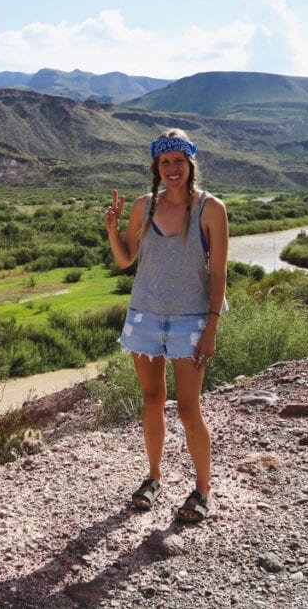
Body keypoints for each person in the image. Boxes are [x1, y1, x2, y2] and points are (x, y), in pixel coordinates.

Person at [103, 128, 228, 524]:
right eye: (164, 162)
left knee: (190, 409)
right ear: (156, 168)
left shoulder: (211, 209)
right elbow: (125, 260)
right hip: (144, 316)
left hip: (191, 321)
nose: (172, 168)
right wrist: (111, 229)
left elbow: (220, 272)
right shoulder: (144, 206)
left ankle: (202, 489)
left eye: (178, 161)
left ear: (190, 164)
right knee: (152, 399)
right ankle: (154, 477)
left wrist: (211, 325)